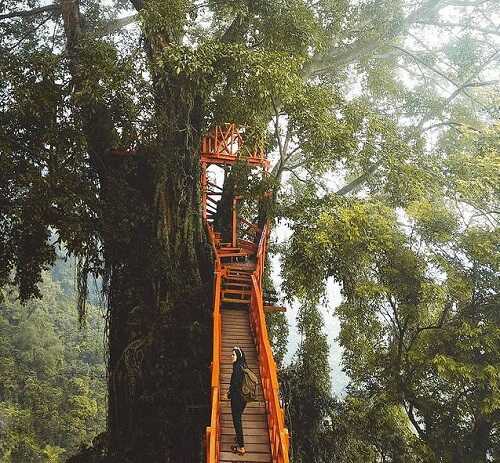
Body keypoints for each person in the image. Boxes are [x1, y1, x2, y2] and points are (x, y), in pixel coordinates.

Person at [227, 346, 247, 455]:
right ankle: (239, 438)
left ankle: (241, 447)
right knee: (238, 419)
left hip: (237, 399)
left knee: (236, 421)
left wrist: (229, 394)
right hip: (243, 399)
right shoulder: (242, 365)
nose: (231, 356)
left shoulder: (237, 369)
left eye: (233, 354)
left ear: (238, 356)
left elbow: (235, 385)